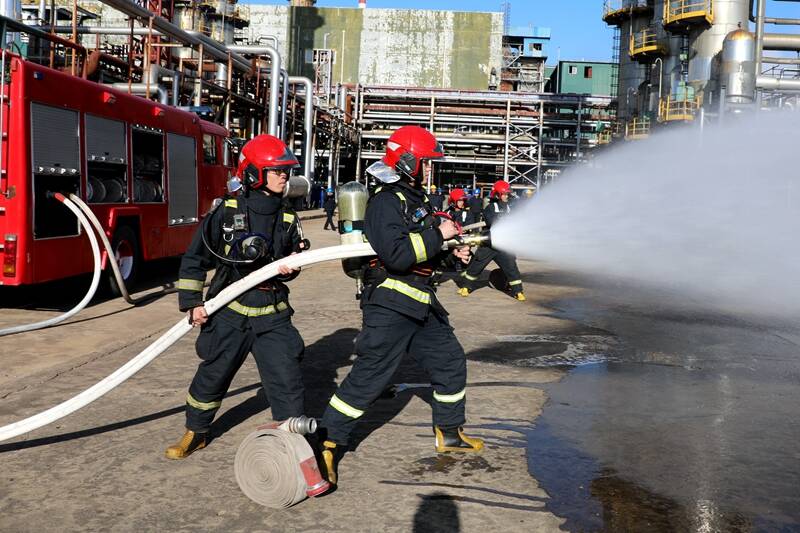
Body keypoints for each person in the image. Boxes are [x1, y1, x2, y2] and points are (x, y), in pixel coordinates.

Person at [318, 125, 483, 486]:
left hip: (420, 300)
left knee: (450, 360)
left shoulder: (416, 200)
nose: (431, 168)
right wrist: (439, 234)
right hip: (391, 302)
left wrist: (454, 255)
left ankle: (449, 432)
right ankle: (327, 443)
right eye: (426, 162)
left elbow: (426, 253)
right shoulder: (386, 202)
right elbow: (396, 255)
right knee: (371, 375)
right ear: (408, 161)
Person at [166, 134, 308, 459]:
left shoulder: (288, 217)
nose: (284, 176)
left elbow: (293, 262)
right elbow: (195, 258)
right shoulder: (227, 212)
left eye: (286, 170)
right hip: (230, 308)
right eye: (277, 170)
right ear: (254, 173)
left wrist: (292, 267)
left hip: (272, 311)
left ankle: (294, 444)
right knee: (213, 375)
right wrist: (193, 303)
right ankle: (196, 431)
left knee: (287, 379)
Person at [458, 180, 526, 301]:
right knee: (476, 266)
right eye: (504, 194)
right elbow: (491, 222)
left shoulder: (510, 208)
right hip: (488, 244)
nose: (507, 196)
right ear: (497, 195)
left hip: (503, 245)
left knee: (511, 268)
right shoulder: (490, 207)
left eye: (507, 194)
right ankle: (466, 287)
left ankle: (518, 291)